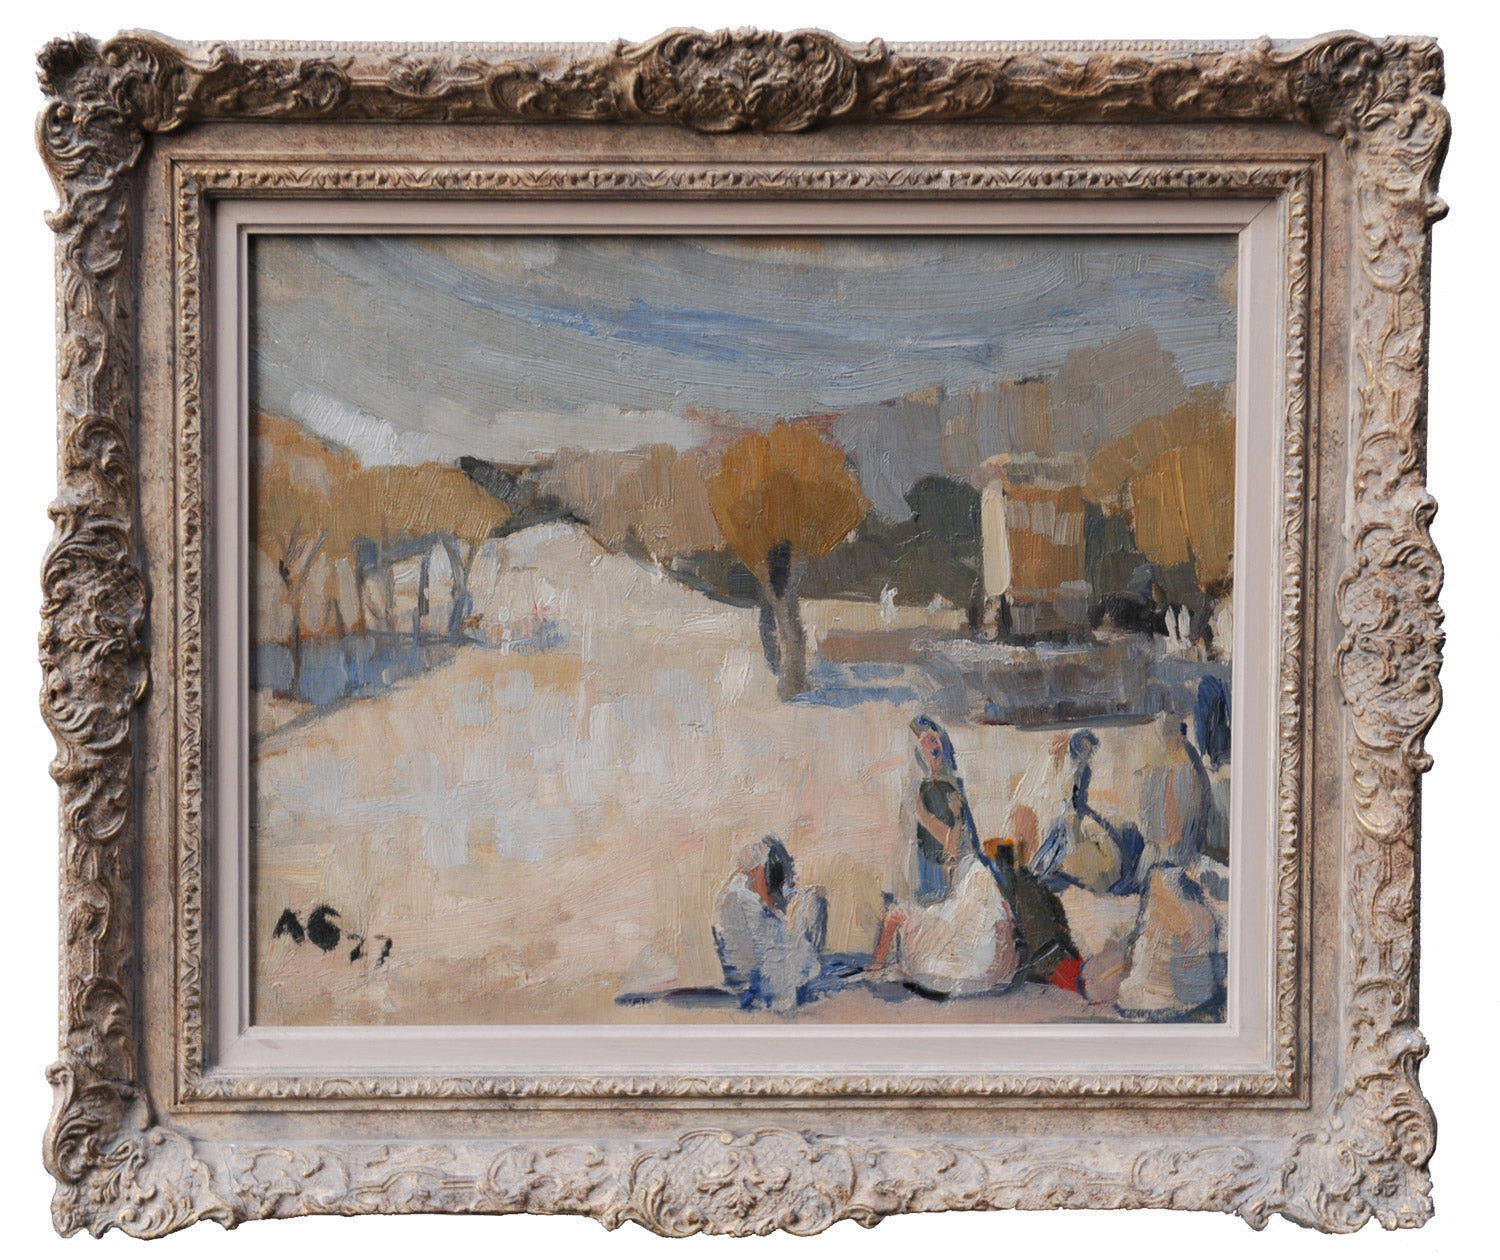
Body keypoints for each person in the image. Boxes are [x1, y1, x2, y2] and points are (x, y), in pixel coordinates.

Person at [712, 836, 826, 1013]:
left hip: (759, 966)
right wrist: (789, 918)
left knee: (813, 898)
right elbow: (769, 950)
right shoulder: (741, 895)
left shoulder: (741, 887)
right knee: (812, 904)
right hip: (758, 979)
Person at [906, 716, 983, 905]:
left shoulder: (952, 785)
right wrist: (955, 819)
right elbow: (949, 840)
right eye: (930, 740)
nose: (937, 744)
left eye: (938, 739)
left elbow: (967, 840)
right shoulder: (918, 790)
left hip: (957, 878)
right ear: (918, 751)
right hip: (934, 884)